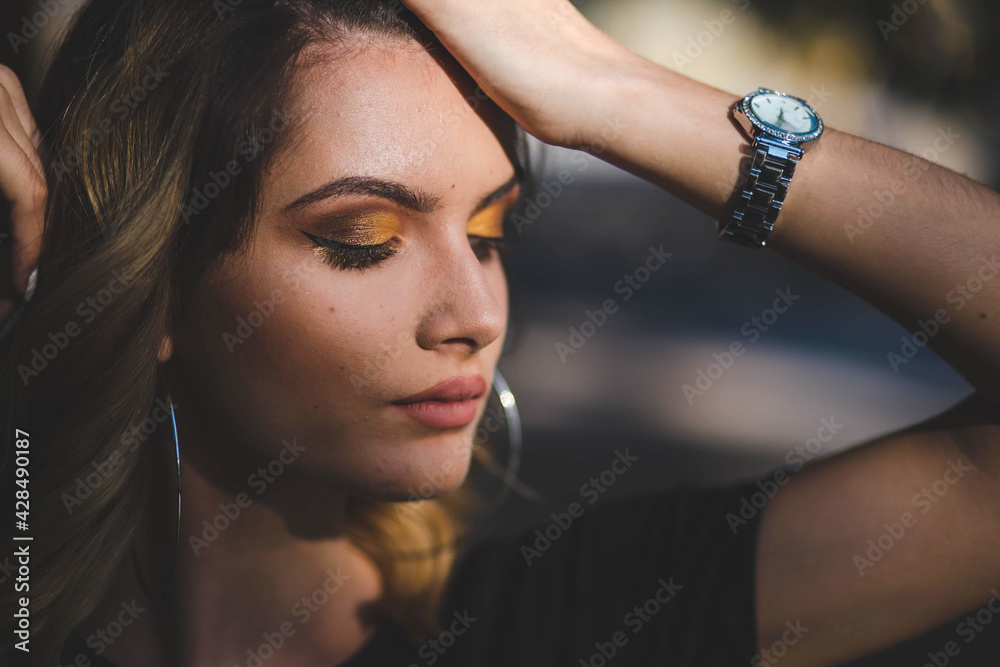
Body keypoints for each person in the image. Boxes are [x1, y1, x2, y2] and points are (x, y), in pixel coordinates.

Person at [0, 0, 998, 665]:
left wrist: (616, 92)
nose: (474, 316)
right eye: (361, 239)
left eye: (489, 233)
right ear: (155, 283)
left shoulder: (572, 624)